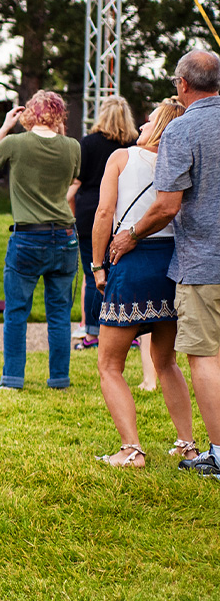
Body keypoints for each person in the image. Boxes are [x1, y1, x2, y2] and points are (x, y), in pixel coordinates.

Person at [110, 48, 220, 477]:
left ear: (182, 84)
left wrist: (131, 234)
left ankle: (217, 453)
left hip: (203, 264)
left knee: (205, 357)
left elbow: (167, 205)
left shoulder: (184, 129)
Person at [90, 99, 193, 467]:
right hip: (171, 263)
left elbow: (104, 212)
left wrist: (97, 264)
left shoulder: (123, 157)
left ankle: (131, 449)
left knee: (109, 364)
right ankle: (187, 443)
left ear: (161, 124)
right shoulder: (181, 162)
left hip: (131, 261)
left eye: (148, 121)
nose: (141, 126)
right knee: (166, 362)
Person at [0, 90, 80, 390]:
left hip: (28, 237)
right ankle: (59, 377)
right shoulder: (73, 146)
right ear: (60, 115)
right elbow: (72, 178)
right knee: (60, 313)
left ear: (29, 114)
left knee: (16, 312)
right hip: (64, 235)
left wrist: (4, 127)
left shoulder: (15, 143)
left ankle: (12, 379)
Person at [67, 96, 138, 350]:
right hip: (123, 214)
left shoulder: (87, 143)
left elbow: (76, 182)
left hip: (90, 215)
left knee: (92, 274)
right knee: (122, 272)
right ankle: (129, 331)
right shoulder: (134, 144)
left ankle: (92, 333)